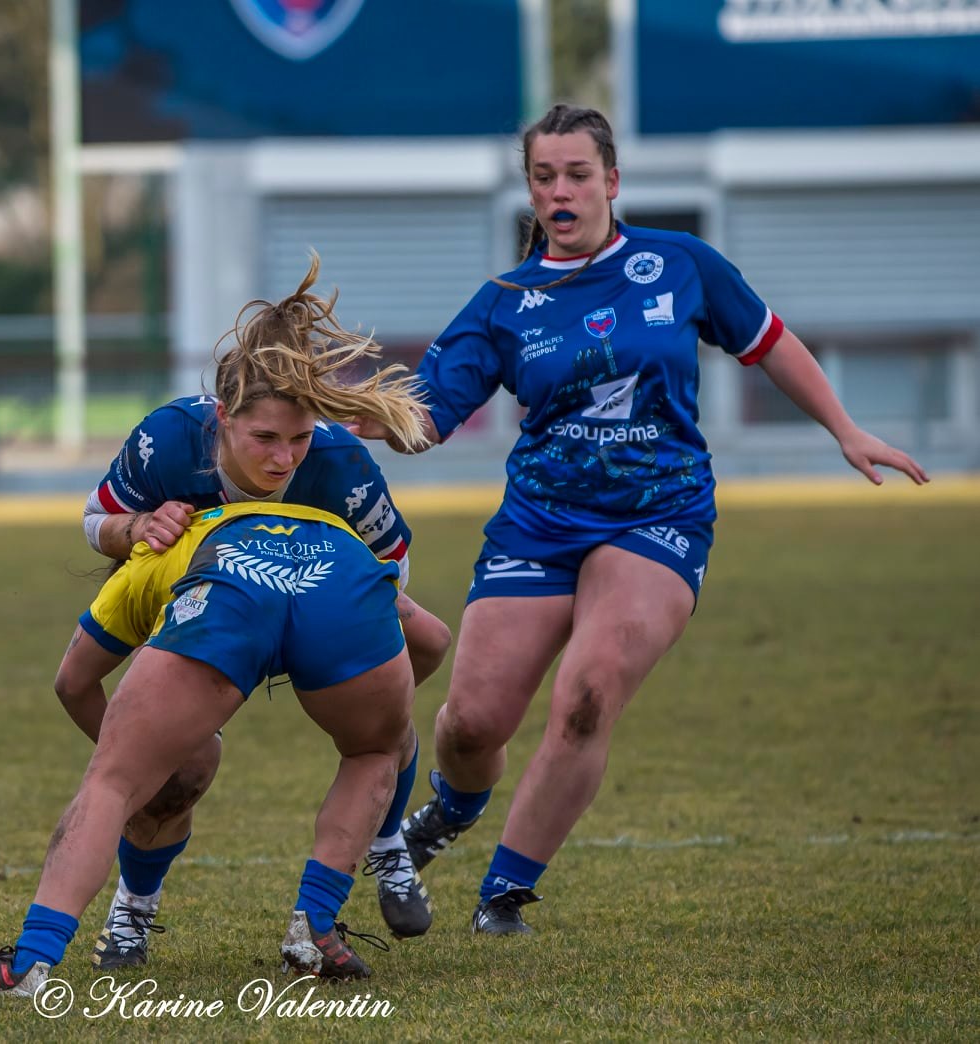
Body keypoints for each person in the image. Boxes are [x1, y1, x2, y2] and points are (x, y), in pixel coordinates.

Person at [347, 103, 929, 936]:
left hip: (658, 515)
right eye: (543, 176)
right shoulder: (504, 301)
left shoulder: (679, 264)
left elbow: (768, 341)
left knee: (586, 695)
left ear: (611, 183)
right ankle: (449, 809)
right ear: (529, 189)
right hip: (539, 523)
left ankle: (504, 896)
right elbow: (430, 416)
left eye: (577, 174)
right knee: (473, 723)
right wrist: (359, 416)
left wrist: (843, 426)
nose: (561, 191)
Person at [67, 256, 452, 962]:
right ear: (220, 420)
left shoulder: (338, 466)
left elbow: (391, 569)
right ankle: (133, 906)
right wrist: (138, 528)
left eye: (298, 439)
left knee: (420, 653)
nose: (283, 460)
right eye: (265, 440)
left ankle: (387, 835)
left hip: (317, 606)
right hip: (201, 605)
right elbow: (97, 518)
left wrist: (346, 644)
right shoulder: (167, 439)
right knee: (175, 774)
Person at [0, 495, 424, 994]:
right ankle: (312, 933)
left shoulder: (142, 564)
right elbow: (432, 638)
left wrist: (142, 759)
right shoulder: (329, 520)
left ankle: (32, 963)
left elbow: (72, 682)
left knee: (114, 782)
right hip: (343, 575)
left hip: (228, 582)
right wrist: (387, 712)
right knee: (372, 753)